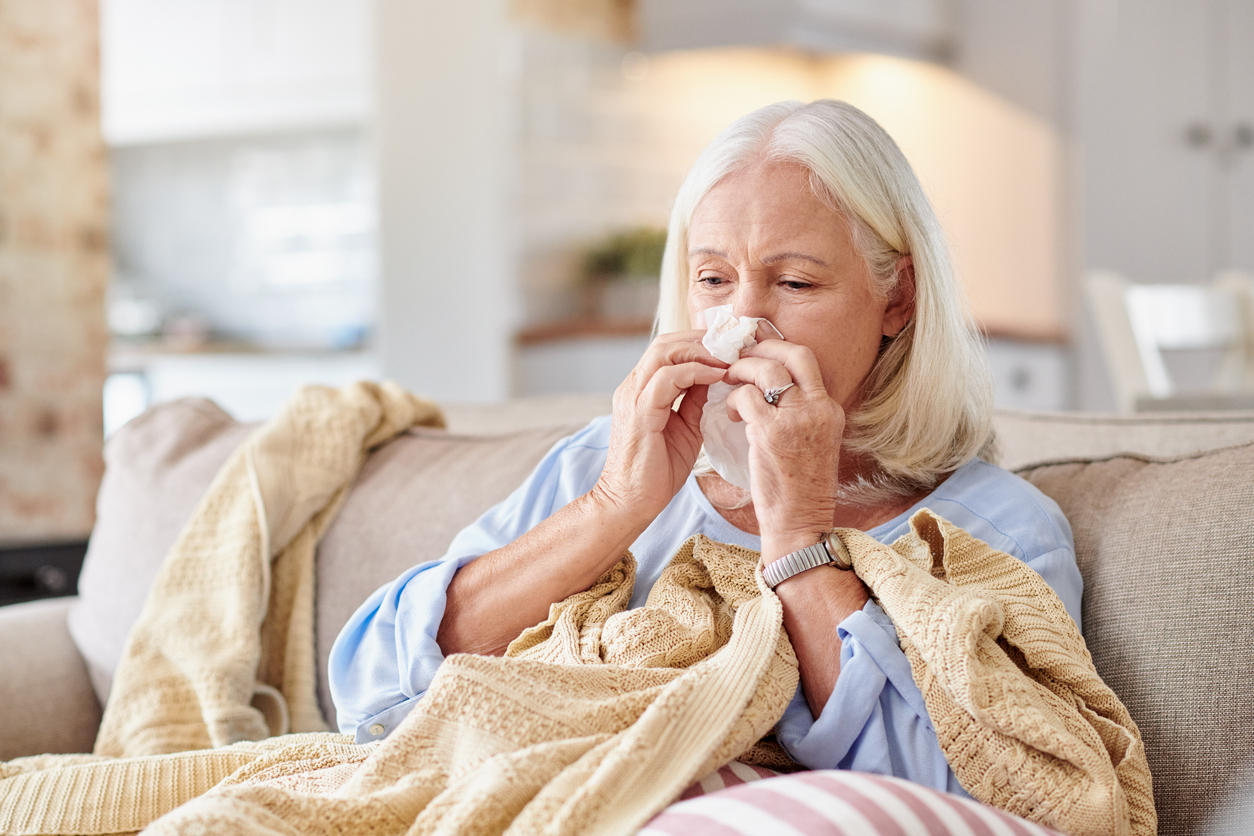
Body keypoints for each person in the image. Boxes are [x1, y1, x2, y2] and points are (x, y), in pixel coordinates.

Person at [328, 99, 1082, 797]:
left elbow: (959, 796)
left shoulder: (998, 532)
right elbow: (374, 685)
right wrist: (613, 507)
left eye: (793, 282)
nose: (744, 321)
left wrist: (799, 533)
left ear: (898, 300)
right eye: (714, 278)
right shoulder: (608, 460)